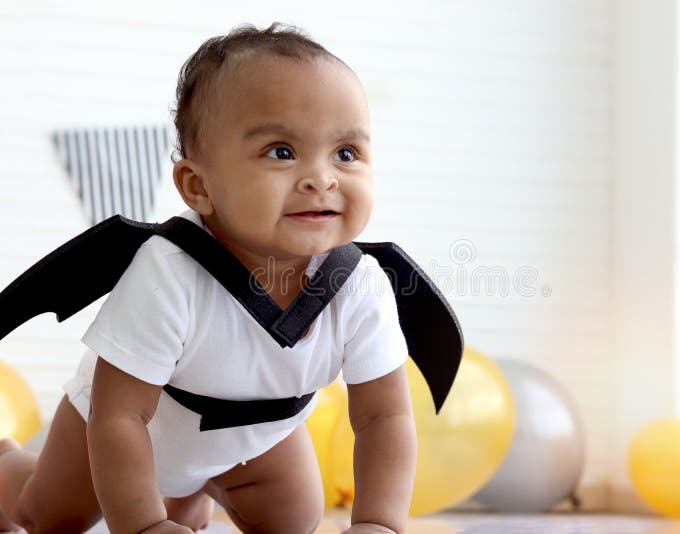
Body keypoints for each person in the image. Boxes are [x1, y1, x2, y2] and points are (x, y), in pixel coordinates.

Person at [0, 23, 417, 534]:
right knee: (45, 516)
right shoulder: (168, 272)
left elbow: (384, 419)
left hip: (258, 438)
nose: (322, 177)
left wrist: (380, 522)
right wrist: (142, 525)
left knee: (293, 520)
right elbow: (119, 418)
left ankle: (194, 494)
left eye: (346, 153)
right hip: (131, 434)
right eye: (281, 151)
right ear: (198, 186)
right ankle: (7, 464)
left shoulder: (357, 285)